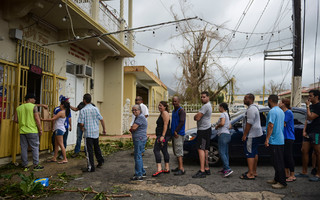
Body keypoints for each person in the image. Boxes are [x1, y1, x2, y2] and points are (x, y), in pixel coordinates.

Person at [14, 93, 44, 171]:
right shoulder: (34, 107)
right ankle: (36, 165)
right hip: (32, 130)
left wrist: (23, 122)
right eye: (34, 99)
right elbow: (37, 119)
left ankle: (25, 166)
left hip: (22, 131)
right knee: (35, 147)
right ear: (29, 99)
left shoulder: (18, 108)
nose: (34, 100)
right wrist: (40, 129)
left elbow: (16, 120)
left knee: (24, 148)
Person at [296, 89, 320, 182]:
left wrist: (307, 106)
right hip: (308, 132)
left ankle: (318, 174)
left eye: (310, 96)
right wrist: (304, 130)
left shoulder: (318, 106)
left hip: (316, 132)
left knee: (318, 152)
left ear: (316, 96)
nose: (309, 98)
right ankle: (304, 171)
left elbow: (311, 117)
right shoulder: (312, 106)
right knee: (304, 150)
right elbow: (307, 119)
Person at [78, 93, 106, 172]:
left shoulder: (83, 110)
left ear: (84, 100)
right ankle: (100, 161)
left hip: (88, 133)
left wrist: (81, 128)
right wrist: (104, 129)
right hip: (95, 132)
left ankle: (91, 167)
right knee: (96, 147)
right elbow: (101, 119)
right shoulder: (95, 108)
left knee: (89, 150)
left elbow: (81, 123)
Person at [265, 94, 287, 189]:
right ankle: (276, 178)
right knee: (275, 161)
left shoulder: (273, 111)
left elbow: (271, 125)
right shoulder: (281, 111)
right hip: (279, 139)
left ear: (270, 100)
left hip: (275, 140)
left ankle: (282, 182)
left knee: (278, 162)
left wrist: (267, 139)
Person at [240, 93, 263, 180]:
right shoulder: (254, 108)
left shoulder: (251, 110)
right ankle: (253, 171)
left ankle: (250, 174)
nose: (244, 100)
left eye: (245, 99)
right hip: (256, 134)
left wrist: (245, 135)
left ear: (250, 99)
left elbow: (249, 123)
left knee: (249, 153)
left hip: (251, 135)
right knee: (254, 152)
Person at [192, 91, 212, 178]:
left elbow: (197, 117)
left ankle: (202, 170)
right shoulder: (208, 105)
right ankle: (207, 168)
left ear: (208, 97)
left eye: (204, 97)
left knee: (201, 149)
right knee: (205, 150)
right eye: (201, 97)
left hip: (203, 131)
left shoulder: (205, 106)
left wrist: (196, 115)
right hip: (206, 130)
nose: (202, 98)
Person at [279, 98, 296, 182]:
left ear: (284, 104)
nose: (279, 103)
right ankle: (286, 173)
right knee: (284, 155)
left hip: (289, 137)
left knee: (288, 156)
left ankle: (292, 175)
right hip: (284, 137)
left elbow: (283, 123)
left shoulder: (288, 112)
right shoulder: (283, 112)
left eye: (280, 102)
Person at [152, 101, 171, 177]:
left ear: (165, 107)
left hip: (163, 135)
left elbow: (166, 125)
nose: (159, 107)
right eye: (159, 105)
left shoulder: (164, 113)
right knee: (164, 150)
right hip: (163, 135)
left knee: (156, 150)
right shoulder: (163, 113)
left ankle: (159, 169)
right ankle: (167, 168)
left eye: (161, 106)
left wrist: (162, 136)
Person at [129, 104, 148, 181]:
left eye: (135, 110)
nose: (134, 111)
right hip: (139, 138)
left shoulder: (140, 117)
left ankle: (139, 174)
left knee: (137, 156)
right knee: (139, 155)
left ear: (139, 110)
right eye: (133, 110)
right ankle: (142, 171)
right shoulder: (139, 117)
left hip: (139, 139)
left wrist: (132, 128)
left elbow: (133, 127)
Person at [215, 102, 233, 177]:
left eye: (219, 107)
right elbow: (230, 126)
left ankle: (228, 169)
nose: (219, 108)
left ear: (222, 107)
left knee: (222, 152)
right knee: (225, 153)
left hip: (223, 134)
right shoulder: (227, 115)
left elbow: (222, 123)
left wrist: (217, 126)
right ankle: (225, 168)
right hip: (227, 134)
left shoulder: (223, 114)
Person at [52, 95, 72, 159]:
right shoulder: (57, 109)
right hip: (59, 128)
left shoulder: (67, 110)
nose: (68, 101)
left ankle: (63, 156)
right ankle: (55, 155)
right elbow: (54, 118)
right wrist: (53, 127)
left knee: (63, 141)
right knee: (56, 141)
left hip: (63, 127)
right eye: (67, 100)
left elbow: (69, 118)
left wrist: (70, 125)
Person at [171, 96, 186, 176]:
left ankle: (181, 169)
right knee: (176, 151)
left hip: (178, 134)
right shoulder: (174, 111)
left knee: (179, 151)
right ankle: (179, 166)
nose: (174, 103)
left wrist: (176, 131)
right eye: (173, 101)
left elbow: (182, 122)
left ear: (179, 101)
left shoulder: (181, 111)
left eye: (175, 101)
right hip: (174, 134)